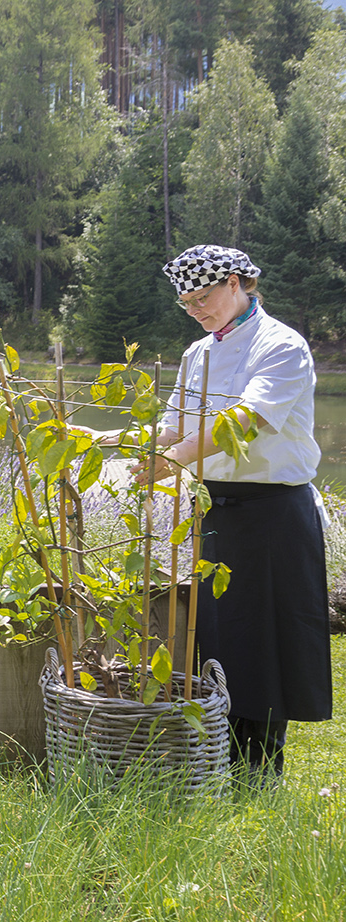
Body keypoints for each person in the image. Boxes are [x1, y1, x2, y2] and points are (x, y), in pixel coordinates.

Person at [138, 244, 332, 779]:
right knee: (219, 632)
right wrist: (125, 444)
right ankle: (220, 756)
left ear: (236, 284)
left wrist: (172, 459)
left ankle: (262, 767)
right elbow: (174, 425)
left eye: (203, 298)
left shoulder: (281, 345)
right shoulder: (197, 354)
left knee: (266, 636)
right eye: (185, 303)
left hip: (273, 512)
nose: (197, 309)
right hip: (215, 508)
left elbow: (247, 420)